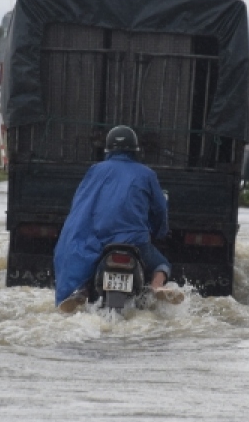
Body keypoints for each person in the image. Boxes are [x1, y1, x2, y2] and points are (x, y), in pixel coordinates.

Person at [54, 125, 185, 313]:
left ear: (108, 149)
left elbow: (82, 204)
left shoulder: (95, 170)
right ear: (135, 150)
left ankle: (81, 292)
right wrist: (160, 232)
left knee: (86, 264)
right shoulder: (147, 174)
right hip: (136, 242)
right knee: (162, 264)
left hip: (99, 241)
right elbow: (159, 209)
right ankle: (157, 287)